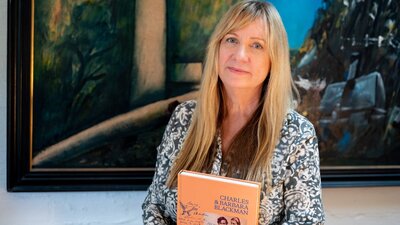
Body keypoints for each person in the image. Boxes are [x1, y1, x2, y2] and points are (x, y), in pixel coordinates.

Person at [142, 1, 325, 224]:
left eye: (256, 45)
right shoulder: (184, 118)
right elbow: (155, 205)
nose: (240, 55)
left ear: (273, 59)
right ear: (217, 47)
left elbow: (308, 221)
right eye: (231, 40)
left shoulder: (297, 134)